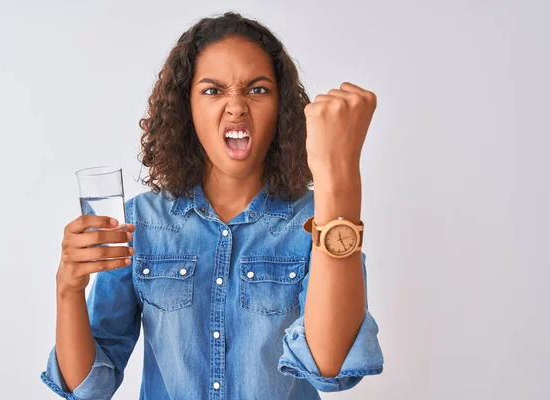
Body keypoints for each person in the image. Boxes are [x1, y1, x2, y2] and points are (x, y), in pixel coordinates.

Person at [41, 12, 383, 400]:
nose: (236, 107)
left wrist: (339, 179)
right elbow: (86, 387)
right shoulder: (140, 223)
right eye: (212, 91)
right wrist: (68, 287)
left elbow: (330, 366)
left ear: (282, 108)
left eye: (257, 90)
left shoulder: (316, 223)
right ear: (186, 109)